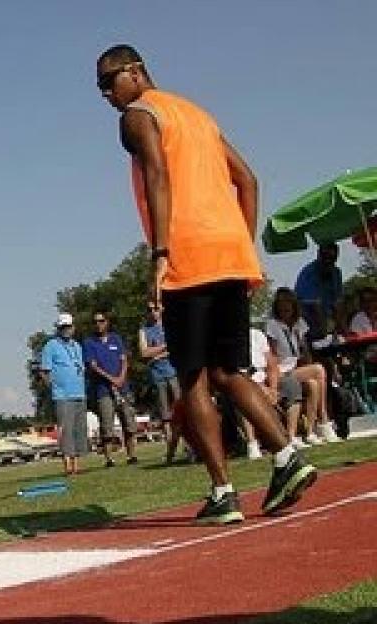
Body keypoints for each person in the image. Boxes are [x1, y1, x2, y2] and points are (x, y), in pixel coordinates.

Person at [96, 43, 316, 524]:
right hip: (230, 254)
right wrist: (243, 245)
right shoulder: (197, 114)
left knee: (192, 377)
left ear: (134, 72)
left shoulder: (138, 114)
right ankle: (286, 456)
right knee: (229, 372)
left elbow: (158, 174)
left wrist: (160, 254)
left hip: (187, 257)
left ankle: (223, 491)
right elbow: (249, 180)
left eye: (108, 82)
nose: (106, 95)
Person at [265, 288, 342, 444]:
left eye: (288, 303)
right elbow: (271, 355)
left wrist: (306, 362)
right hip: (282, 370)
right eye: (281, 304)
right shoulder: (273, 325)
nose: (285, 307)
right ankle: (325, 420)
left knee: (313, 384)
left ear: (294, 305)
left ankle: (310, 432)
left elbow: (305, 351)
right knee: (319, 369)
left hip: (297, 368)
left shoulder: (299, 324)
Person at [82, 311, 140, 467]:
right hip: (103, 390)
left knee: (128, 422)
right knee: (107, 426)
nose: (98, 324)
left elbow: (124, 359)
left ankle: (132, 455)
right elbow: (92, 366)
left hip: (123, 388)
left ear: (107, 322)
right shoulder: (89, 343)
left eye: (101, 321)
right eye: (95, 321)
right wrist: (111, 378)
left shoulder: (116, 338)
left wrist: (121, 377)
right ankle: (109, 459)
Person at [38, 313, 89, 476]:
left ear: (73, 327)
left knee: (79, 429)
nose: (66, 330)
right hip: (62, 395)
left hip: (79, 392)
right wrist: (53, 387)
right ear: (58, 328)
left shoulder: (77, 346)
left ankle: (77, 464)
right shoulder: (51, 345)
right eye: (63, 327)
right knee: (66, 430)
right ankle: (67, 465)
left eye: (69, 326)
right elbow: (44, 371)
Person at [245, 326, 306, 458]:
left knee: (291, 384)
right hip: (243, 380)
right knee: (243, 395)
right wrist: (261, 387)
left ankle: (290, 437)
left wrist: (273, 389)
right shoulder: (224, 339)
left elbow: (271, 365)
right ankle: (252, 444)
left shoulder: (257, 334)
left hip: (264, 377)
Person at [139, 301, 183, 463]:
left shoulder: (171, 325)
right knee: (165, 416)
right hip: (157, 376)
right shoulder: (144, 330)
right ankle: (170, 450)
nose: (153, 312)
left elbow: (178, 345)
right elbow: (144, 353)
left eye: (155, 309)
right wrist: (164, 348)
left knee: (181, 410)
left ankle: (188, 446)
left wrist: (156, 353)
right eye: (149, 309)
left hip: (174, 373)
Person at [295, 242, 344, 338]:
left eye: (332, 258)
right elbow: (316, 306)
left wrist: (341, 329)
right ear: (318, 255)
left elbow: (338, 303)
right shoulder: (308, 273)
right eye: (325, 256)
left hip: (327, 318)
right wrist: (325, 334)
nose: (328, 260)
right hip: (307, 322)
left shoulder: (336, 272)